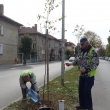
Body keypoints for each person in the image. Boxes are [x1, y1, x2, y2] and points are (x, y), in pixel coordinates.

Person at [65, 37, 99, 110]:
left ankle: (89, 107)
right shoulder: (82, 50)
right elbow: (78, 60)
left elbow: (96, 63)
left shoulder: (92, 51)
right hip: (82, 75)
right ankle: (82, 105)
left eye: (82, 44)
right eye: (80, 44)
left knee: (87, 91)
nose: (81, 45)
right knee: (81, 90)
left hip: (89, 76)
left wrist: (86, 70)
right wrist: (71, 64)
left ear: (86, 43)